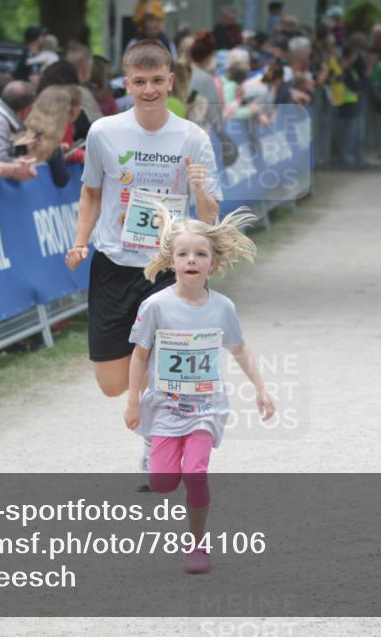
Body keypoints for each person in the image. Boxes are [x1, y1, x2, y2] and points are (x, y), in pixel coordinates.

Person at [65, 39, 222, 407]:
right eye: (139, 81)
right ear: (127, 83)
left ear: (170, 81)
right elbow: (90, 191)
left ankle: (161, 439)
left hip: (169, 266)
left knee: (169, 371)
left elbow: (210, 215)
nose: (148, 90)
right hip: (114, 266)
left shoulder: (192, 137)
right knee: (112, 384)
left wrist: (198, 188)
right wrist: (80, 240)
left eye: (156, 80)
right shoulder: (104, 132)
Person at [124, 208, 274, 574]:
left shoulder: (223, 308)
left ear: (214, 264)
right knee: (161, 484)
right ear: (171, 261)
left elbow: (239, 348)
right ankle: (151, 449)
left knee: (195, 474)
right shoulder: (155, 306)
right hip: (164, 407)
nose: (192, 260)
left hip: (206, 408)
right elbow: (140, 354)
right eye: (183, 254)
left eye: (201, 254)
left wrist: (260, 387)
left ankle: (197, 544)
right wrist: (133, 402)